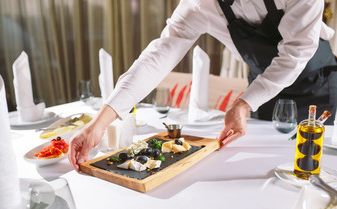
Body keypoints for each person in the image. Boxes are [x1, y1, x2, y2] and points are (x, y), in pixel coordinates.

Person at [68, 0, 337, 172]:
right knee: (258, 169)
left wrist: (243, 103)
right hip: (262, 89)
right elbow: (158, 56)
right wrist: (100, 123)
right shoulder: (199, 4)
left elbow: (295, 54)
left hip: (317, 85)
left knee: (314, 169)